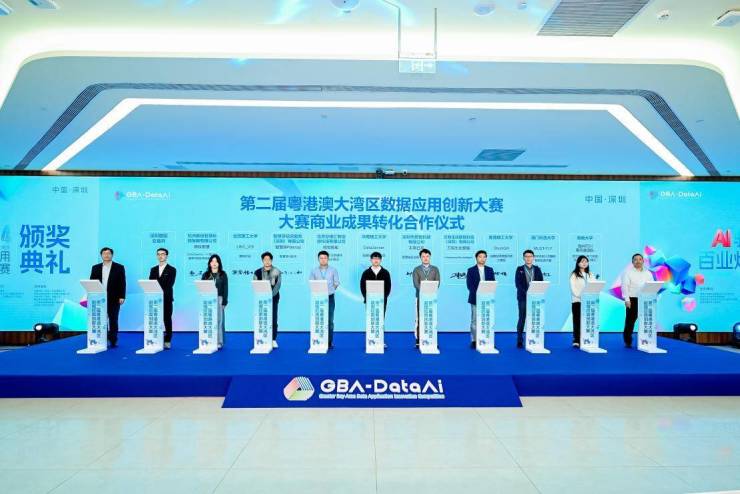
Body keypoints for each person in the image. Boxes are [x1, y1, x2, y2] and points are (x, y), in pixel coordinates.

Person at [90, 247, 126, 348]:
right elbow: (92, 282)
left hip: (114, 298)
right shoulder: (95, 268)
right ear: (101, 255)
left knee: (113, 319)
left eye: (108, 253)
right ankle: (102, 338)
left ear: (112, 255)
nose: (106, 255)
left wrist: (122, 296)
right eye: (104, 253)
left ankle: (113, 340)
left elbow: (122, 282)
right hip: (99, 298)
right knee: (101, 319)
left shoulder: (119, 267)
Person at [621, 252, 654, 348]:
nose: (638, 261)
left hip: (645, 300)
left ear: (643, 261)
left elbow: (652, 285)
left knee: (645, 320)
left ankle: (646, 340)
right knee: (630, 321)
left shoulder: (648, 273)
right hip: (633, 299)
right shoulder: (628, 273)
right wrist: (626, 299)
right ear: (632, 262)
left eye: (640, 259)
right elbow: (625, 287)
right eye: (635, 260)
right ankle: (628, 340)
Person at [360, 252, 392, 349]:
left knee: (380, 320)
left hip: (382, 301)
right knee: (371, 320)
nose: (376, 260)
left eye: (378, 258)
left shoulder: (385, 272)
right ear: (371, 260)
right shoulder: (366, 272)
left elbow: (388, 287)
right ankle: (370, 340)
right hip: (370, 301)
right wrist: (366, 297)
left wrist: (384, 297)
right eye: (374, 258)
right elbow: (362, 286)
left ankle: (380, 340)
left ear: (381, 260)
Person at [309, 250, 340, 349]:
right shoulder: (314, 270)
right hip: (318, 298)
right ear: (318, 259)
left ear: (328, 259)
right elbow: (311, 282)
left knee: (330, 320)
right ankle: (318, 339)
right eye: (321, 258)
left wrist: (330, 290)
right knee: (318, 319)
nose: (323, 260)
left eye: (325, 258)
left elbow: (336, 283)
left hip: (329, 297)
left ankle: (329, 342)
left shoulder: (333, 270)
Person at [466, 249, 495, 349]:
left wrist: (486, 293)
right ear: (476, 258)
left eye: (484, 257)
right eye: (480, 257)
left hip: (487, 299)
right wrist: (479, 293)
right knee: (474, 320)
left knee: (487, 319)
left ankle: (486, 339)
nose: (482, 259)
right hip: (475, 298)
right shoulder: (471, 270)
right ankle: (474, 340)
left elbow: (492, 283)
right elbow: (469, 285)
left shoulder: (490, 270)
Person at [514, 249, 544, 348]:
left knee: (534, 318)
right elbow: (518, 284)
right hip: (523, 298)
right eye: (526, 256)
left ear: (533, 258)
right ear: (523, 258)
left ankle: (534, 338)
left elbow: (541, 282)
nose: (528, 258)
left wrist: (535, 293)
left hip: (535, 298)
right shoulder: (519, 269)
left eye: (530, 256)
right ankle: (519, 339)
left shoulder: (537, 269)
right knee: (522, 318)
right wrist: (527, 293)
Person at [412, 248, 440, 348]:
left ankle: (432, 338)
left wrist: (430, 291)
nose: (425, 258)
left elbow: (437, 282)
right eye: (423, 256)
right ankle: (418, 339)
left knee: (431, 318)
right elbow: (416, 284)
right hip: (420, 297)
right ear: (420, 258)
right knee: (419, 318)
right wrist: (424, 291)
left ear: (430, 257)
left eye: (427, 256)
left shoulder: (435, 269)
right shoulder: (416, 269)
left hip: (432, 297)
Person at [149, 248, 176, 349]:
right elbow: (150, 283)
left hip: (167, 299)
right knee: (156, 319)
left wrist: (157, 286)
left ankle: (167, 340)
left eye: (163, 254)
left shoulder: (172, 269)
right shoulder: (153, 269)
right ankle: (156, 339)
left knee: (167, 319)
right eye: (158, 254)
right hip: (155, 299)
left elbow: (169, 284)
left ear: (166, 256)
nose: (160, 256)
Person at [253, 251, 282, 349]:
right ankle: (262, 337)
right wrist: (262, 295)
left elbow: (278, 286)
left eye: (269, 259)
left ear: (271, 260)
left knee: (273, 317)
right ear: (262, 261)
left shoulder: (277, 271)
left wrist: (270, 296)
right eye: (265, 260)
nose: (267, 261)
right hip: (261, 299)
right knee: (262, 318)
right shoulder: (257, 272)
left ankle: (273, 339)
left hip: (273, 298)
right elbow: (255, 285)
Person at [201, 254, 227, 349]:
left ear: (219, 263)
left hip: (219, 298)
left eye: (216, 261)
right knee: (208, 320)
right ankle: (209, 339)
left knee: (219, 321)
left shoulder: (223, 274)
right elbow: (202, 287)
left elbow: (226, 288)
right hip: (208, 300)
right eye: (212, 261)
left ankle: (219, 341)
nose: (214, 263)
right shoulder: (205, 275)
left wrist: (224, 302)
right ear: (209, 263)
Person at [569, 255, 594, 349]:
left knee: (587, 321)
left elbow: (594, 286)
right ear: (578, 263)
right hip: (577, 301)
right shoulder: (574, 274)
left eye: (586, 261)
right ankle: (576, 340)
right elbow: (573, 289)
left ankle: (587, 338)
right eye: (582, 261)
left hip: (588, 302)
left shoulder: (590, 274)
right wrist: (582, 296)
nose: (584, 263)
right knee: (577, 321)